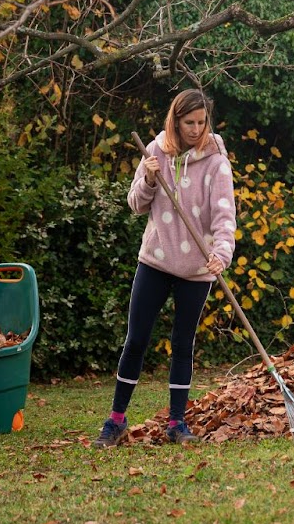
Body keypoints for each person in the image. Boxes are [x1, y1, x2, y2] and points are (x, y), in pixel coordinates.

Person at [95, 89, 237, 446]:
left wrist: (222, 252)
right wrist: (149, 179)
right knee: (137, 338)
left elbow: (224, 216)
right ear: (175, 121)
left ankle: (177, 423)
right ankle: (115, 420)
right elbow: (135, 204)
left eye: (202, 122)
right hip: (155, 261)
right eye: (189, 122)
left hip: (197, 268)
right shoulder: (155, 152)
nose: (196, 129)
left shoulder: (217, 162)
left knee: (182, 343)